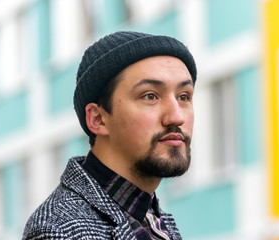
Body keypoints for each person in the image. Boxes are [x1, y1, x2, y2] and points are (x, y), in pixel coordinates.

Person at [23, 31, 197, 240]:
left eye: (184, 96)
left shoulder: (149, 218)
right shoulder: (59, 231)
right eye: (150, 96)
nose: (176, 116)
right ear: (98, 119)